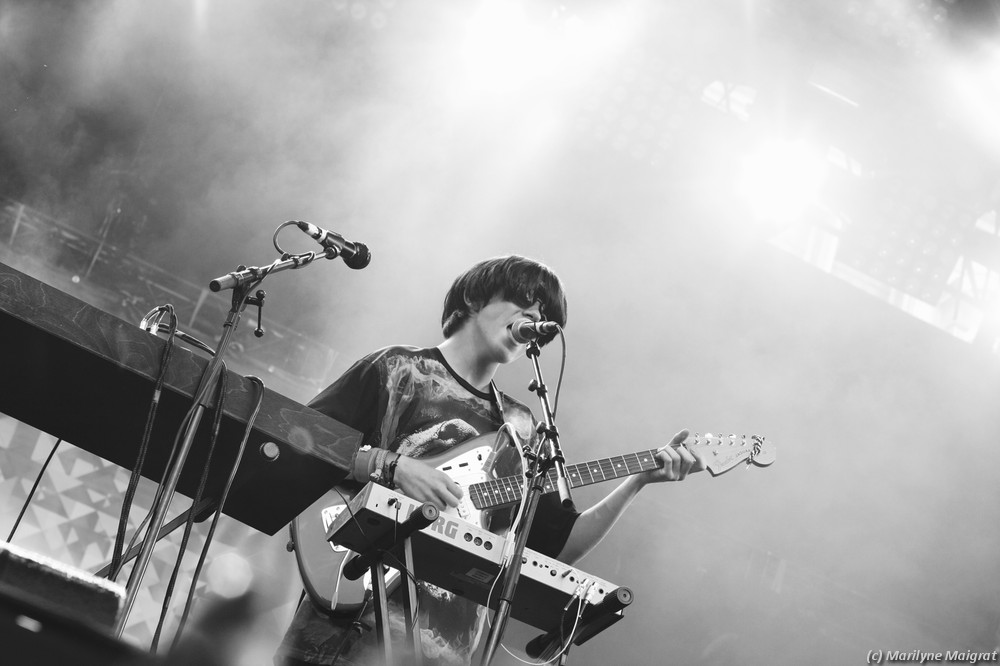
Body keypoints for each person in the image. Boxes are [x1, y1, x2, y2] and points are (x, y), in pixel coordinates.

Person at [275, 255, 704, 666]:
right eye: (524, 301)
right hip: (346, 634)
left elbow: (557, 546)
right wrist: (392, 465)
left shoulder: (521, 428)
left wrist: (638, 481)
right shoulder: (399, 369)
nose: (533, 318)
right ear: (473, 299)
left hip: (447, 650)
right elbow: (297, 435)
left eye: (542, 316)